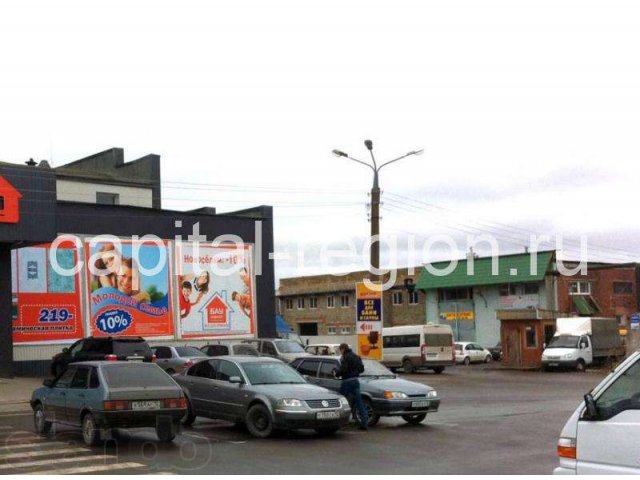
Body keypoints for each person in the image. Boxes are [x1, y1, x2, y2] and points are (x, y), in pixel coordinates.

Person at [334, 343, 368, 430]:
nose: (340, 352)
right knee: (359, 403)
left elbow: (344, 369)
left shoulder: (345, 357)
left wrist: (337, 373)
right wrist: (355, 372)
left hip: (347, 382)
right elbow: (362, 369)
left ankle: (338, 423)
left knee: (340, 402)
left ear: (343, 349)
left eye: (340, 350)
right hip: (355, 381)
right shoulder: (356, 356)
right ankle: (364, 423)